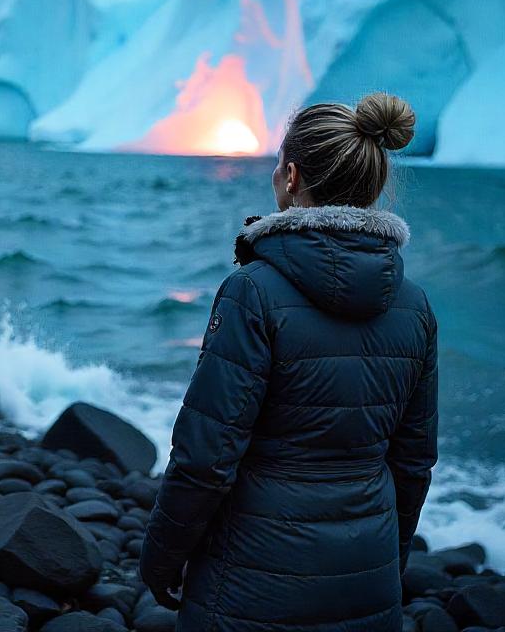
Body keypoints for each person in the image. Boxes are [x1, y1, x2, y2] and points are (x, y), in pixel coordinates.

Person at [140, 93, 438, 632]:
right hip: (366, 578)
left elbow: (206, 457)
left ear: (292, 175)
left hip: (250, 582)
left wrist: (162, 557)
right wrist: (387, 566)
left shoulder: (251, 291)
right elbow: (413, 462)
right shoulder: (415, 306)